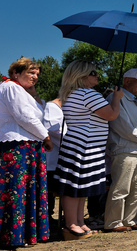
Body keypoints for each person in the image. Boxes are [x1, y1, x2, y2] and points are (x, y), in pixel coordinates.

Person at [0, 57, 52, 250]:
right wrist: (46, 136)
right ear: (16, 73)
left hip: (26, 145)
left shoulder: (20, 91)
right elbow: (24, 117)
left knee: (20, 191)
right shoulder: (11, 88)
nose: (34, 77)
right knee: (13, 191)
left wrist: (33, 94)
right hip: (16, 146)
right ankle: (9, 237)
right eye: (30, 73)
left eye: (37, 75)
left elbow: (39, 113)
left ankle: (18, 235)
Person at [50, 60, 122, 238]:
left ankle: (79, 222)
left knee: (81, 189)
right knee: (74, 188)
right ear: (81, 76)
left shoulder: (73, 93)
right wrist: (117, 98)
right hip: (83, 146)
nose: (97, 76)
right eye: (93, 73)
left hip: (84, 146)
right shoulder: (87, 94)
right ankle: (71, 224)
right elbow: (111, 114)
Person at [103, 68, 137, 232]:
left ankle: (130, 219)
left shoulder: (135, 100)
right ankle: (113, 222)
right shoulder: (116, 97)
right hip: (125, 149)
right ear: (127, 81)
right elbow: (121, 125)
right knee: (121, 187)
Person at [41, 95, 63, 230]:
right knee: (48, 191)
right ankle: (46, 217)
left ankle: (49, 216)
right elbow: (54, 130)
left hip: (59, 158)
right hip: (51, 158)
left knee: (52, 191)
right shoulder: (51, 107)